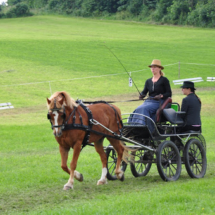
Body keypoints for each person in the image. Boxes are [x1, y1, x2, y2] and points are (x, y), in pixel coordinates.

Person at [129, 59, 172, 131]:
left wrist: (161, 96)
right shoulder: (148, 81)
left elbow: (169, 93)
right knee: (137, 109)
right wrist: (142, 95)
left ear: (159, 68)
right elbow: (144, 92)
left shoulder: (164, 80)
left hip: (159, 102)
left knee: (144, 108)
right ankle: (133, 126)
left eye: (155, 67)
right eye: (152, 67)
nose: (153, 69)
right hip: (149, 101)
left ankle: (143, 127)